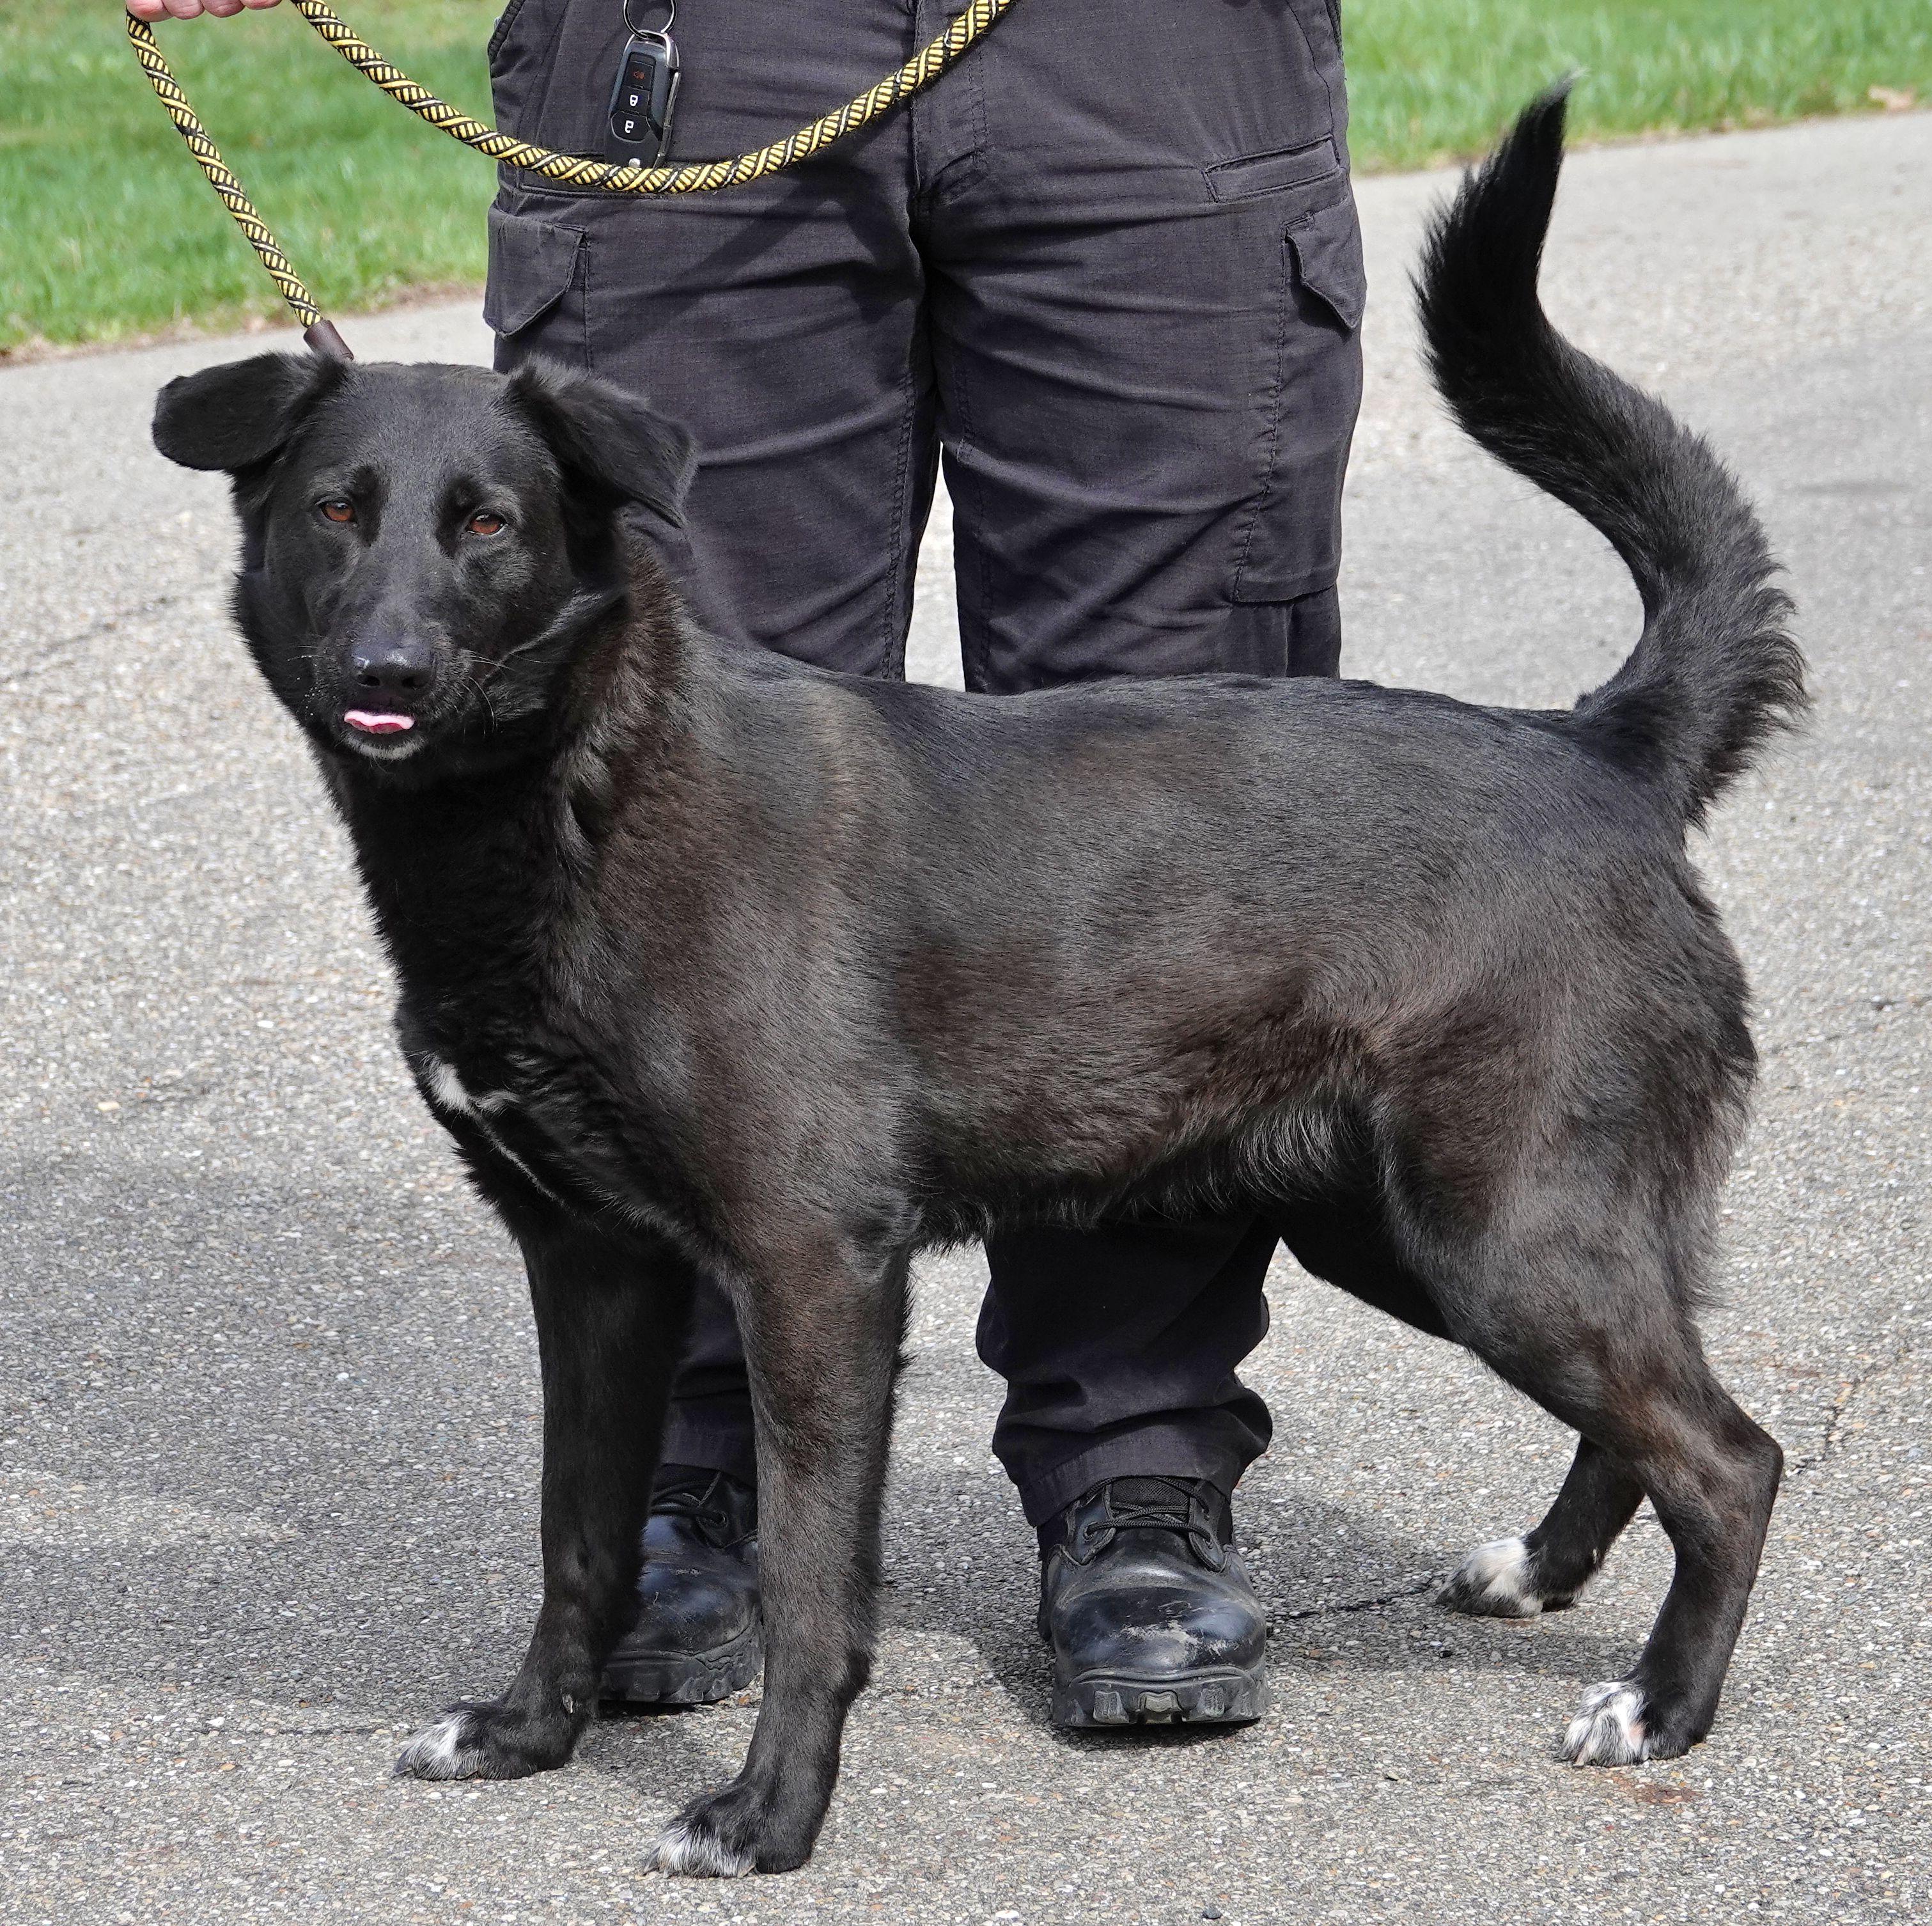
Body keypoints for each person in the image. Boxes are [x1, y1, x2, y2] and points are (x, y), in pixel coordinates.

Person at [132, 0, 1365, 1730]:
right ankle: (689, 1457)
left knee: (1153, 819)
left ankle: (1136, 1456)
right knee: (660, 785)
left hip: (1141, 58)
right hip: (698, 40)